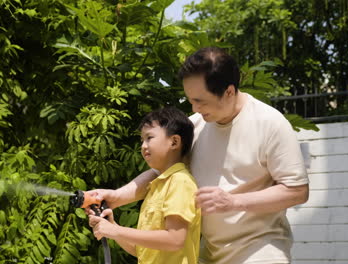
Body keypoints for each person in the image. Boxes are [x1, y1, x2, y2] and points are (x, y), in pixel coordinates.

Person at [88, 47, 309, 263]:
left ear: (229, 92)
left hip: (260, 250)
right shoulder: (197, 125)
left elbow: (297, 191)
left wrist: (233, 201)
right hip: (207, 251)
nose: (194, 108)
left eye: (200, 101)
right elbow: (160, 173)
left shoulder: (270, 123)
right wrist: (118, 196)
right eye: (190, 100)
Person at [88, 107, 201, 263]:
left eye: (149, 138)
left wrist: (116, 230)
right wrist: (112, 226)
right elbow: (141, 250)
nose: (143, 146)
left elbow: (175, 239)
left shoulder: (180, 182)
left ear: (174, 141)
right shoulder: (155, 187)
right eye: (142, 140)